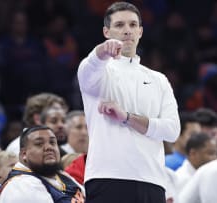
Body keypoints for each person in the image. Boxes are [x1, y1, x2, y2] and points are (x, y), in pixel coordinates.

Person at [77, 2, 180, 203]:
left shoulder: (159, 79)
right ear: (106, 32)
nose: (127, 31)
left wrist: (126, 117)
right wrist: (101, 52)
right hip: (107, 176)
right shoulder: (98, 69)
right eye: (119, 25)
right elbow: (89, 69)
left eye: (133, 25)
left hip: (153, 180)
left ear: (140, 32)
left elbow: (172, 130)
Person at [0, 126, 84, 203]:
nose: (49, 147)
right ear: (24, 154)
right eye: (39, 144)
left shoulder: (61, 175)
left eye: (52, 142)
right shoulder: (21, 185)